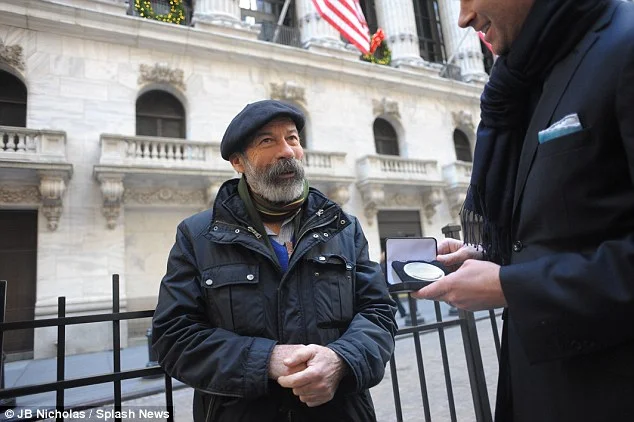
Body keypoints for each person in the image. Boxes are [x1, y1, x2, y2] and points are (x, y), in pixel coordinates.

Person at [413, 0, 634, 421]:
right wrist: (493, 258)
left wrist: (512, 286)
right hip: (538, 388)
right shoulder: (525, 79)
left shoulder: (625, 44)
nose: (462, 17)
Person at [152, 100, 397, 422]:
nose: (287, 151)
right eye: (268, 141)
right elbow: (174, 336)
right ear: (238, 162)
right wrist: (266, 360)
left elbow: (379, 312)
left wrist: (341, 360)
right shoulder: (198, 235)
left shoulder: (344, 227)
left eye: (292, 138)